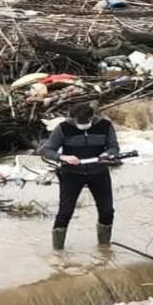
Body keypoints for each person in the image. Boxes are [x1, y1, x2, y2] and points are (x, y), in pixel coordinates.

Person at [40, 103, 120, 250]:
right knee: (65, 212)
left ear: (92, 117)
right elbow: (47, 151)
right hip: (71, 174)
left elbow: (114, 147)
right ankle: (57, 252)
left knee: (107, 211)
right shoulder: (63, 128)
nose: (83, 125)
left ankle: (104, 248)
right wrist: (63, 157)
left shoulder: (105, 126)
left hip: (99, 172)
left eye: (86, 122)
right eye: (79, 122)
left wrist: (108, 154)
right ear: (72, 119)